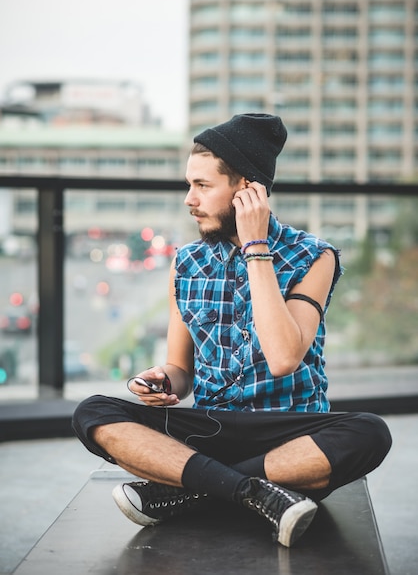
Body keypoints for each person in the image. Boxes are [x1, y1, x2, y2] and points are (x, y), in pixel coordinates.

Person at [72, 113, 392, 548]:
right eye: (189, 184)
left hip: (289, 434)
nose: (189, 199)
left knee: (370, 432)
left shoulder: (314, 256)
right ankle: (250, 491)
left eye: (203, 186)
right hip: (210, 430)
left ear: (247, 190)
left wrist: (256, 248)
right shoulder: (186, 262)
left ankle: (191, 489)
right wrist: (161, 380)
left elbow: (283, 358)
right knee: (92, 412)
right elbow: (179, 370)